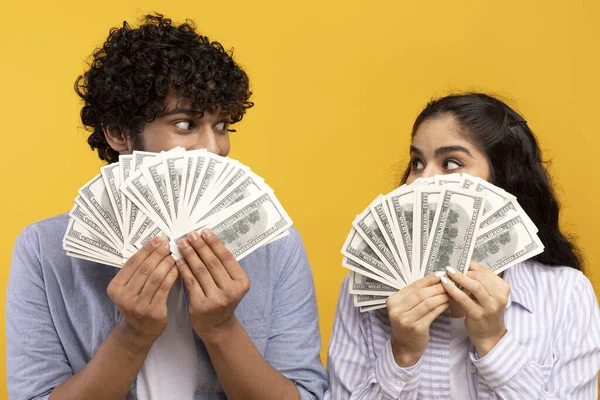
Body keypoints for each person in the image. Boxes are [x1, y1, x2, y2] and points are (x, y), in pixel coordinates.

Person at [6, 14, 327, 400]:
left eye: (223, 125)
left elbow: (307, 394)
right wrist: (133, 334)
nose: (214, 148)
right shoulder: (44, 250)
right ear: (119, 133)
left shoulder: (275, 245)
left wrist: (222, 329)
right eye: (186, 124)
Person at [325, 93, 600, 399]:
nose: (422, 181)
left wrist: (494, 341)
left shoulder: (565, 294)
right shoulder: (363, 293)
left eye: (451, 163)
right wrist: (401, 353)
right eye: (417, 163)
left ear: (501, 181)